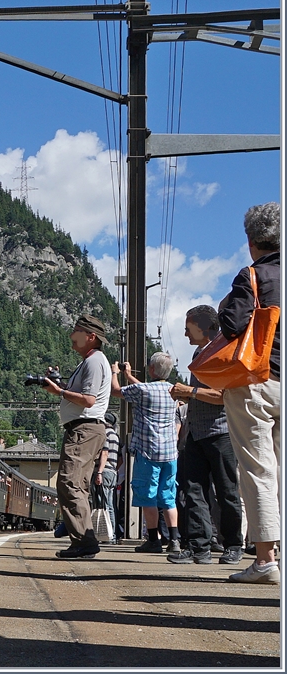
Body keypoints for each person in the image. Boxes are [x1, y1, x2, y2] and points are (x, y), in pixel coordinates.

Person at [218, 202, 281, 584]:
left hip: (256, 380)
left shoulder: (254, 275)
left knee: (258, 472)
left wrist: (228, 304)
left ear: (250, 240)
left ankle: (264, 560)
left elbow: (231, 326)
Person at [166, 305, 245, 566]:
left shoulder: (223, 351)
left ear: (202, 326)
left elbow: (223, 396)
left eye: (189, 327)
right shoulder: (200, 353)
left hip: (221, 432)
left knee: (226, 492)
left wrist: (189, 392)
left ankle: (233, 545)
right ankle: (199, 547)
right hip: (196, 434)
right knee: (193, 491)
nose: (185, 333)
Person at [43, 314, 112, 559]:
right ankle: (83, 541)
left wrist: (59, 391)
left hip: (85, 429)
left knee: (69, 482)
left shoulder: (94, 362)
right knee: (76, 484)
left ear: (90, 336)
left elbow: (89, 400)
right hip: (84, 430)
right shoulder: (91, 361)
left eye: (76, 331)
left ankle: (84, 542)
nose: (72, 335)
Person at [112, 352, 181, 554]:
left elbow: (115, 391)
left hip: (147, 452)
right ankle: (174, 540)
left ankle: (153, 539)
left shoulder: (142, 390)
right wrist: (130, 375)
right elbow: (147, 388)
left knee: (147, 496)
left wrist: (116, 373)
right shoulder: (173, 391)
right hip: (170, 453)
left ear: (151, 369)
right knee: (168, 497)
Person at [93, 412, 122, 544]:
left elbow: (104, 453)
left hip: (104, 471)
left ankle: (106, 535)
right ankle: (112, 534)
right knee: (110, 505)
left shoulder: (104, 434)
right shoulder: (115, 436)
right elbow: (120, 459)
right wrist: (114, 469)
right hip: (112, 472)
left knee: (103, 504)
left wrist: (99, 472)